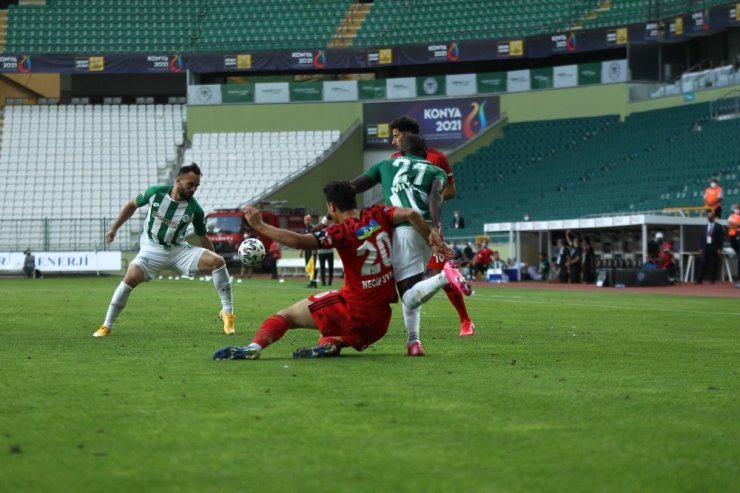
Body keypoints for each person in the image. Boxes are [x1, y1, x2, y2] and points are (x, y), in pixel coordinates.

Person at [212, 181, 467, 360]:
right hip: (380, 323)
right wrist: (431, 236)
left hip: (353, 308)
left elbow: (299, 240)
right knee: (330, 337)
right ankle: (333, 345)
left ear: (332, 207)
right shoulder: (378, 215)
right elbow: (411, 212)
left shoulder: (340, 231)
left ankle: (254, 347)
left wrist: (259, 225)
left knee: (285, 316)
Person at [351, 134, 471, 357]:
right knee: (411, 288)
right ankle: (413, 342)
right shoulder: (436, 170)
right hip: (424, 233)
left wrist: (338, 195)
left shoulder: (387, 165)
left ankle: (445, 277)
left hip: (401, 230)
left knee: (408, 294)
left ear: (403, 152)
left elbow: (355, 186)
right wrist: (434, 228)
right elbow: (436, 196)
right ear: (425, 153)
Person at [93, 163, 236, 337]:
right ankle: (106, 325)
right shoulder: (155, 193)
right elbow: (132, 205)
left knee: (218, 262)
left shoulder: (195, 210)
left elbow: (202, 237)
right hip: (151, 249)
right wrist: (114, 228)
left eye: (196, 186)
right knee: (130, 278)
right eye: (190, 184)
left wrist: (213, 261)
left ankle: (227, 313)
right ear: (178, 180)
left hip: (178, 251)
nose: (193, 189)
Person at [386, 116, 476, 339]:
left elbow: (451, 191)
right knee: (401, 275)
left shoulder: (437, 158)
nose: (393, 141)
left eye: (396, 136)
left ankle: (465, 320)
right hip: (400, 226)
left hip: (427, 224)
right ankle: (411, 335)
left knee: (436, 270)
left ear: (408, 136)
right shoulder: (394, 159)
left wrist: (428, 197)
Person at [696, 212, 725, 284]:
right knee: (703, 262)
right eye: (708, 217)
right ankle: (699, 279)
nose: (709, 218)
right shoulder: (705, 226)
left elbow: (721, 238)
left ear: (714, 217)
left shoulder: (718, 226)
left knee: (714, 262)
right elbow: (702, 237)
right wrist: (700, 247)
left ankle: (712, 279)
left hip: (714, 246)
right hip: (706, 246)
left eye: (711, 217)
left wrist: (719, 248)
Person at [301, 214, 319, 288]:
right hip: (307, 250)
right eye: (305, 220)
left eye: (308, 220)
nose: (306, 221)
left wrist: (314, 249)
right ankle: (311, 282)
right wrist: (302, 251)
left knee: (313, 266)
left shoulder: (313, 228)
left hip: (312, 250)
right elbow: (304, 241)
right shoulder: (305, 229)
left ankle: (314, 283)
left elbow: (316, 240)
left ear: (310, 220)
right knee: (309, 266)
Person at [728, 204, 740, 287]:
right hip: (733, 235)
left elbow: (736, 225)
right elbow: (729, 224)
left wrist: (734, 225)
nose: (736, 210)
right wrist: (735, 225)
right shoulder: (732, 215)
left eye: (737, 208)